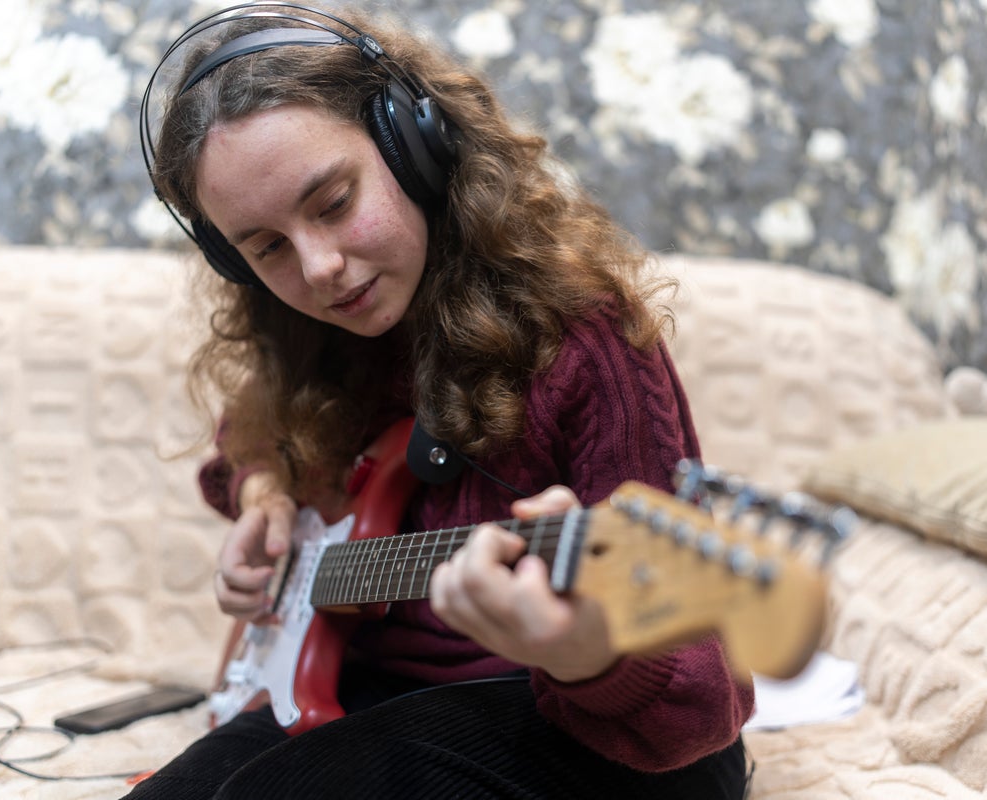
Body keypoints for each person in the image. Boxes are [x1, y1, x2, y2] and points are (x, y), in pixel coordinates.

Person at [129, 3, 753, 798]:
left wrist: (577, 648)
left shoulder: (587, 339)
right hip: (374, 694)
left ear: (415, 146)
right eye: (268, 247)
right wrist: (264, 497)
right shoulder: (311, 335)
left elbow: (702, 697)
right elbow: (243, 443)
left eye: (334, 203)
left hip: (599, 728)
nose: (318, 268)